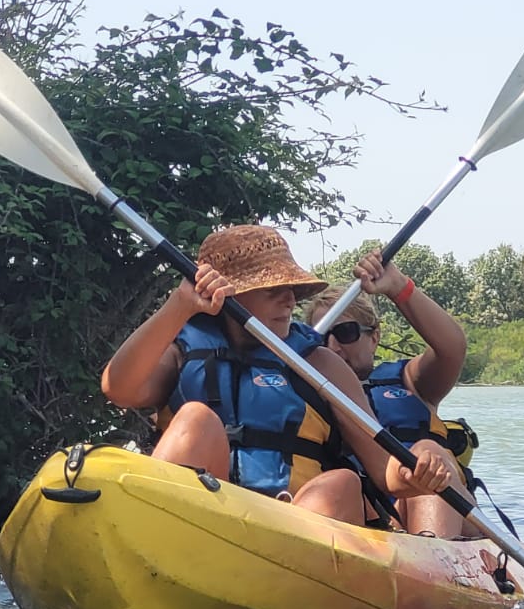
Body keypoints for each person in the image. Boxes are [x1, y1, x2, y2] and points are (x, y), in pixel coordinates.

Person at [101, 225, 453, 526]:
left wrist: (416, 469)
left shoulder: (321, 365)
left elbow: (385, 470)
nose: (289, 301)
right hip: (204, 524)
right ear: (229, 295)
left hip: (293, 529)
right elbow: (118, 388)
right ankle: (155, 538)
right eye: (273, 289)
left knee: (342, 484)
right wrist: (179, 305)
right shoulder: (183, 352)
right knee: (195, 419)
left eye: (292, 290)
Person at [306, 249, 470, 537]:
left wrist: (398, 287)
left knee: (427, 452)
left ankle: (432, 551)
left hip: (431, 505)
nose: (332, 346)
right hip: (365, 517)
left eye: (346, 333)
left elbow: (452, 348)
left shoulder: (410, 381)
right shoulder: (305, 391)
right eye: (321, 338)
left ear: (375, 337)